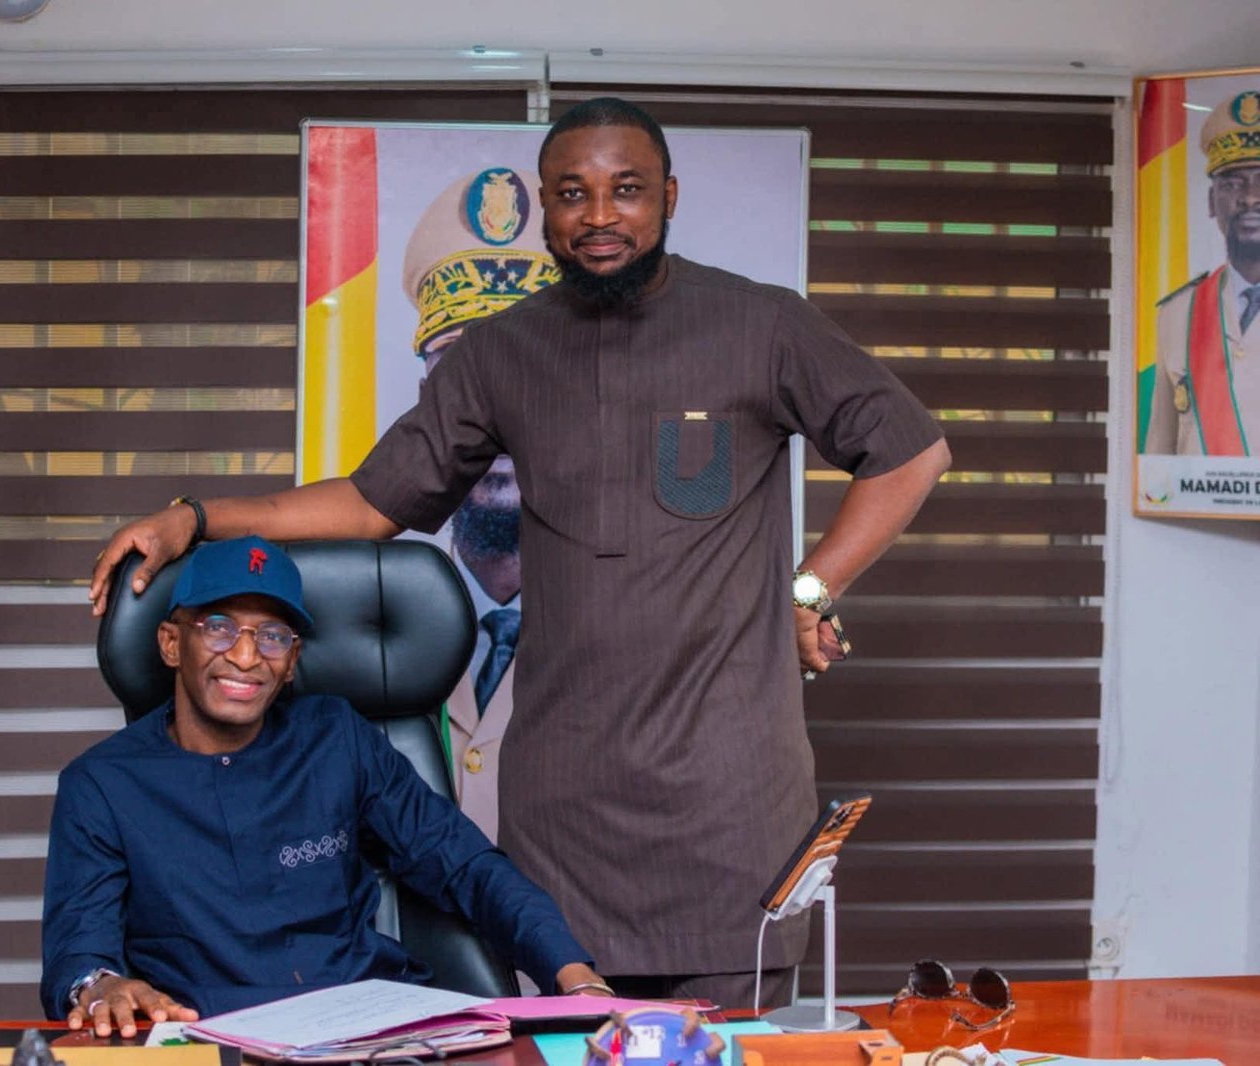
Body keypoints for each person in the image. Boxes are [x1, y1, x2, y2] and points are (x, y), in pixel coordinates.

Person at [88, 98, 951, 1009]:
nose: (600, 215)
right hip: (568, 818)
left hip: (727, 807)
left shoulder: (760, 325)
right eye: (573, 194)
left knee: (724, 1051)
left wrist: (808, 590)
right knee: (565, 1042)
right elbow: (374, 503)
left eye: (627, 190)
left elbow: (910, 451)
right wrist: (197, 517)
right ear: (545, 207)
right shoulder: (504, 351)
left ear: (668, 197)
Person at [44, 536, 606, 1035]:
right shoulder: (101, 784)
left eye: (272, 636)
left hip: (368, 1031)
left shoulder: (338, 737)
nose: (246, 656)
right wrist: (100, 986)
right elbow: (80, 951)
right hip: (208, 1036)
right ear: (171, 644)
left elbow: (464, 863)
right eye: (218, 627)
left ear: (292, 661)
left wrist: (572, 973)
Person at [400, 165, 560, 840]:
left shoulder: (636, 610)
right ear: (424, 402)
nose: (493, 410)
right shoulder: (373, 609)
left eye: (528, 373)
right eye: (459, 374)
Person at [1145, 89, 1260, 457]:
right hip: (1200, 498)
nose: (1250, 197)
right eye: (1232, 184)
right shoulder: (1178, 313)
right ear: (1212, 202)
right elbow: (1161, 448)